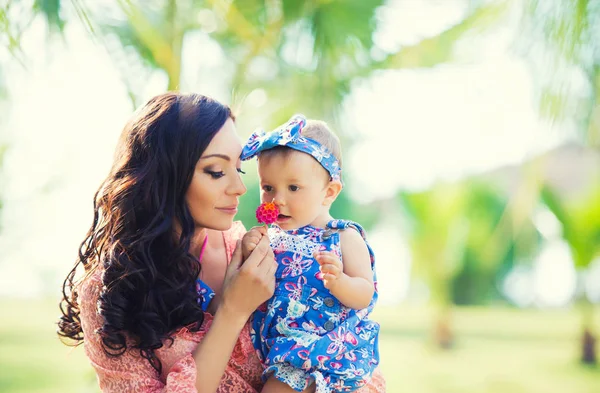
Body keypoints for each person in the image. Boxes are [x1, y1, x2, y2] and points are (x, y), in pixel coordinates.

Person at [57, 92, 386, 393]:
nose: (241, 189)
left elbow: (340, 347)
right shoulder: (111, 287)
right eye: (215, 171)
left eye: (239, 171)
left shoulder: (256, 251)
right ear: (163, 177)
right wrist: (232, 310)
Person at [240, 115, 383, 393]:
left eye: (293, 188)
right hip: (282, 350)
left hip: (327, 348)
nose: (277, 199)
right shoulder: (272, 237)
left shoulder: (343, 238)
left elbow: (365, 294)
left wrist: (340, 282)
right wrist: (249, 252)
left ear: (328, 192)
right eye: (268, 187)